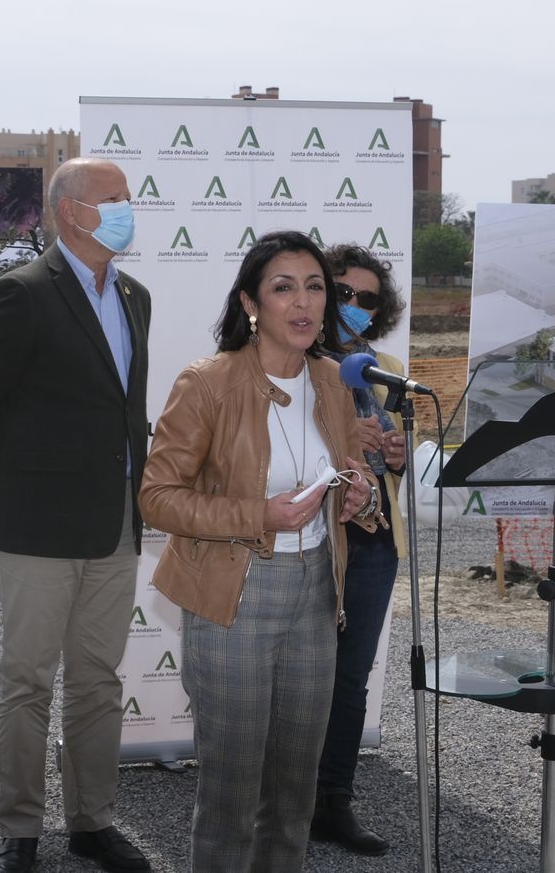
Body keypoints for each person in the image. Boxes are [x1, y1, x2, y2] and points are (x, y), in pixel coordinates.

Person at [141, 230, 378, 873]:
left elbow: (349, 473)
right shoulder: (207, 382)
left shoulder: (334, 379)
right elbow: (157, 497)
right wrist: (258, 516)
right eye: (283, 288)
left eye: (315, 287)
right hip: (237, 591)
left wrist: (358, 498)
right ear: (251, 303)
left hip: (316, 593)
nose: (303, 303)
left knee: (296, 785)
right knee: (231, 787)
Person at [0, 158, 152, 873]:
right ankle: (20, 828)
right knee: (28, 680)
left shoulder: (135, 296)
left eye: (129, 197)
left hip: (114, 525)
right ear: (70, 212)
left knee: (99, 679)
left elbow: (126, 413)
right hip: (33, 529)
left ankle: (92, 821)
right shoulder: (23, 294)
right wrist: (0, 499)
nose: (128, 208)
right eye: (113, 199)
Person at [311, 243, 409, 855]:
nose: (352, 305)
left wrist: (396, 457)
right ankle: (279, 805)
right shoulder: (289, 360)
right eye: (342, 291)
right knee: (296, 679)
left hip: (373, 544)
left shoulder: (387, 366)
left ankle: (333, 803)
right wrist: (344, 437)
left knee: (349, 681)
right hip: (310, 540)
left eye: (366, 298)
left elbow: (395, 462)